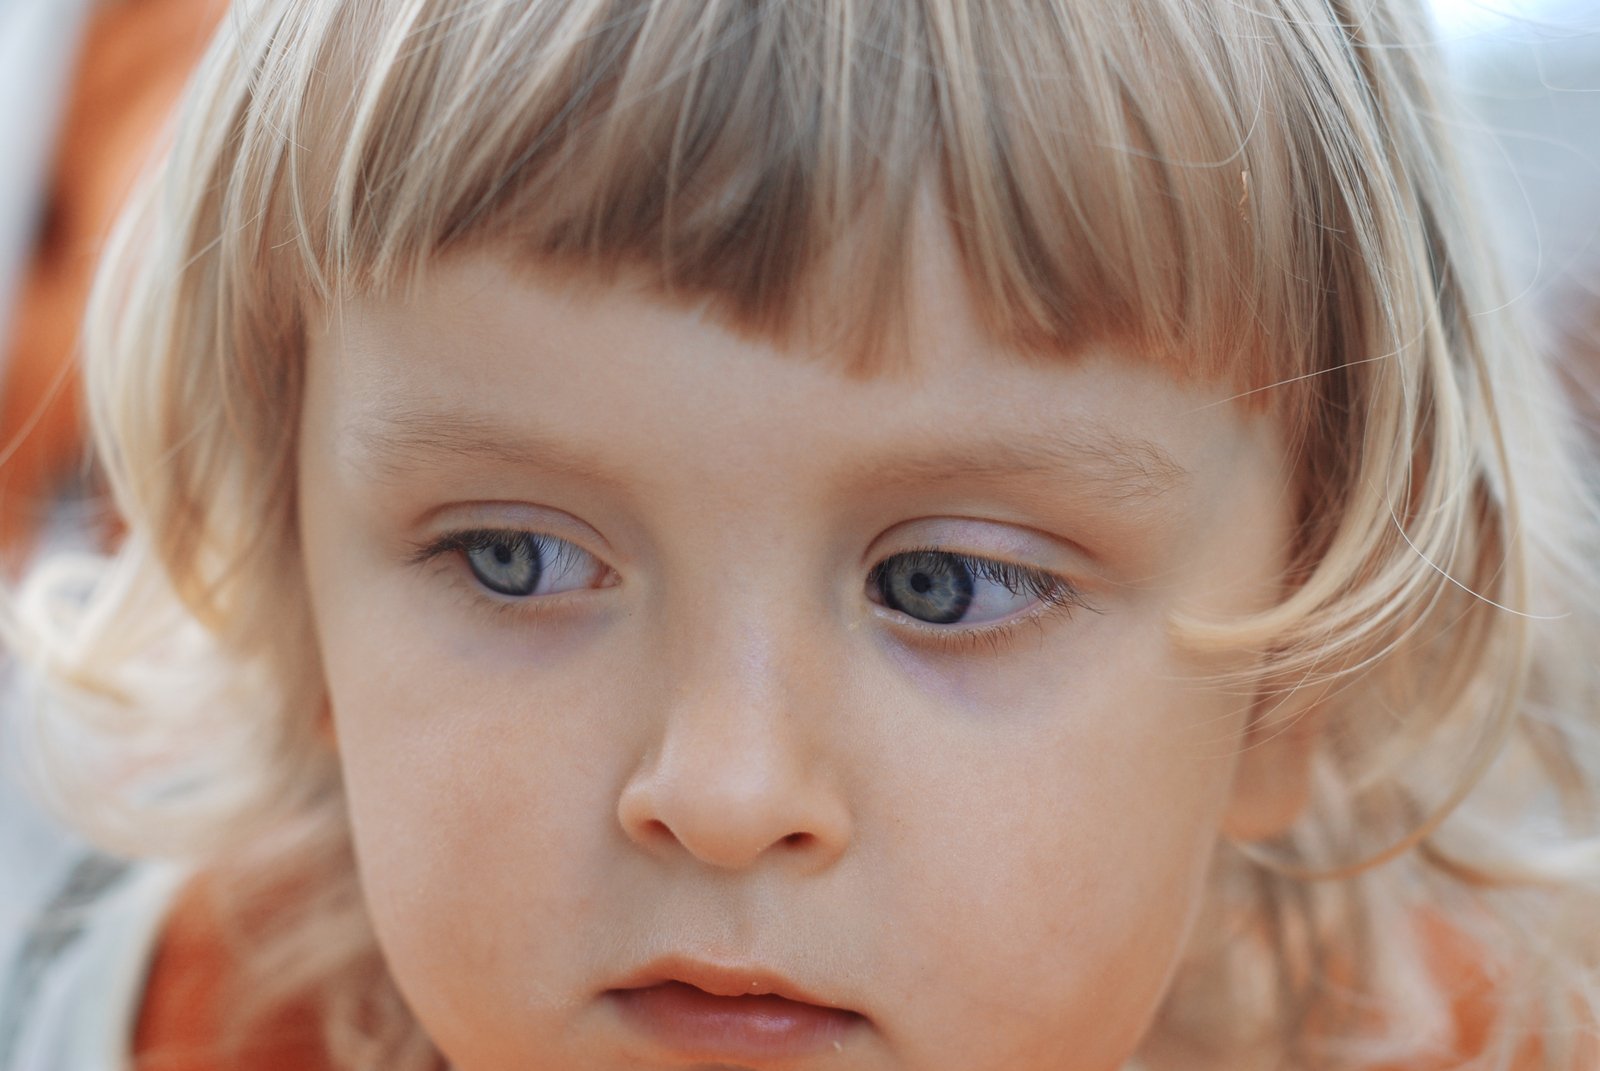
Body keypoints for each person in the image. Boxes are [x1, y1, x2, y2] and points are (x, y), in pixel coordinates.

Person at [1, 0, 1597, 1068]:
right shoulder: (174, 1026)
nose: (723, 794)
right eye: (517, 557)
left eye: (944, 583)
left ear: (1298, 664)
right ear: (303, 589)